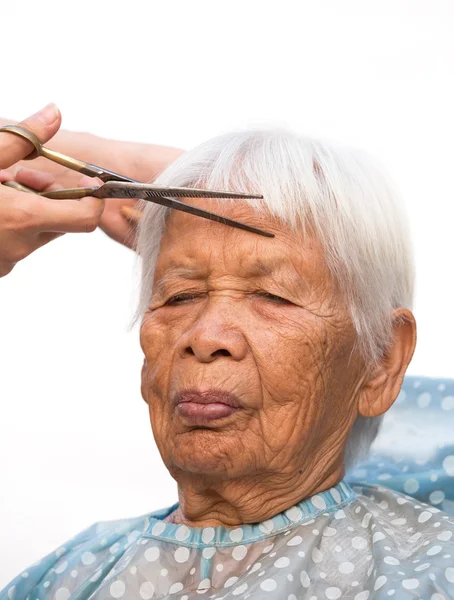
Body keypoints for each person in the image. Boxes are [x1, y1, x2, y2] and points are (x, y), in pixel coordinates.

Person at [2, 111, 454, 600]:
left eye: (273, 297)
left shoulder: (433, 569)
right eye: (178, 296)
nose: (205, 335)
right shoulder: (67, 577)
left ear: (382, 361)